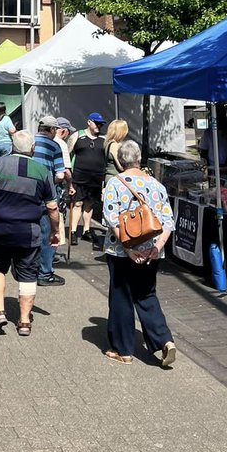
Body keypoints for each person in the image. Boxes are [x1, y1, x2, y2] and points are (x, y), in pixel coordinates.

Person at [0, 130, 59, 337]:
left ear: (12, 146)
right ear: (33, 149)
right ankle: (25, 321)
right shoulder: (42, 171)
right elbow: (52, 207)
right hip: (29, 232)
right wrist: (54, 231)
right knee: (28, 274)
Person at [101, 139, 176, 368]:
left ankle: (122, 350)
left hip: (121, 251)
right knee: (146, 295)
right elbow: (168, 222)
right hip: (151, 251)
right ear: (139, 159)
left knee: (121, 296)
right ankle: (164, 340)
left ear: (120, 161)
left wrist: (128, 248)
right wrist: (157, 247)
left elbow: (111, 218)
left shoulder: (114, 183)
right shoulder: (156, 185)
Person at [32, 116, 68, 287]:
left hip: (26, 193)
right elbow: (60, 175)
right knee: (49, 233)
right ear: (52, 130)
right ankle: (45, 273)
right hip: (45, 195)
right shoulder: (55, 146)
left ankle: (29, 267)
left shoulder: (29, 141)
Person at [69, 113, 106, 250]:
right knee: (77, 203)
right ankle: (72, 231)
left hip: (96, 178)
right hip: (79, 176)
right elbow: (67, 153)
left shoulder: (103, 139)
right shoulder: (77, 136)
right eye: (96, 123)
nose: (99, 126)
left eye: (101, 124)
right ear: (89, 122)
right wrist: (68, 176)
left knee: (89, 205)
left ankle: (86, 230)